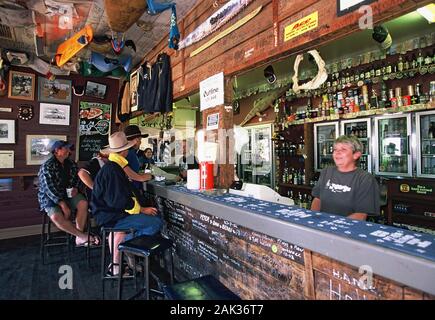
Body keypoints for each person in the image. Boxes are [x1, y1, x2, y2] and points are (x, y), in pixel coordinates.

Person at [91, 132, 162, 275]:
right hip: (112, 217)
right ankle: (125, 248)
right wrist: (142, 210)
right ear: (124, 151)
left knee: (140, 224)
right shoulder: (113, 170)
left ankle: (119, 245)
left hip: (107, 214)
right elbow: (119, 200)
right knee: (155, 223)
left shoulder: (112, 166)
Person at [38, 141, 98, 246]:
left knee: (83, 203)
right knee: (56, 217)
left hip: (68, 194)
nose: (69, 151)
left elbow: (77, 179)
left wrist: (76, 188)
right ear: (57, 151)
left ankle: (78, 237)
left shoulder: (71, 164)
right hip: (50, 198)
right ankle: (82, 236)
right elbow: (49, 189)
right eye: (66, 148)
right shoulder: (47, 166)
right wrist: (63, 204)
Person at [311, 135, 380, 221]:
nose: (337, 152)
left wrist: (332, 224)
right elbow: (317, 199)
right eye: (335, 149)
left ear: (356, 155)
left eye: (343, 149)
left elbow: (361, 215)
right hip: (322, 227)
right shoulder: (326, 172)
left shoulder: (365, 179)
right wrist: (314, 218)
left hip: (347, 230)